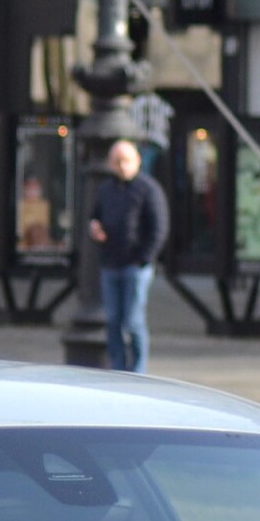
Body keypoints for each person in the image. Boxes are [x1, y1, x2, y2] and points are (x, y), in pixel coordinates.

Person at [87, 137, 168, 373]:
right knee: (112, 320)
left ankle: (138, 371)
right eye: (117, 161)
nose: (121, 165)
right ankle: (118, 368)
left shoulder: (148, 189)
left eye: (126, 160)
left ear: (137, 162)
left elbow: (159, 227)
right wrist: (95, 228)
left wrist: (145, 258)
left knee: (133, 321)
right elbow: (95, 216)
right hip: (111, 263)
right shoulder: (106, 188)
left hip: (135, 265)